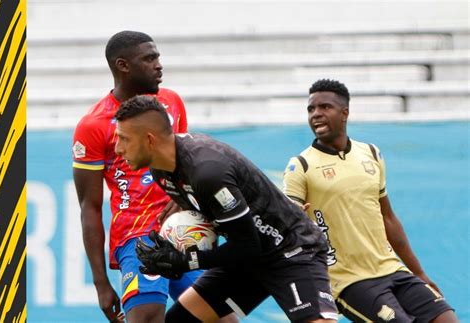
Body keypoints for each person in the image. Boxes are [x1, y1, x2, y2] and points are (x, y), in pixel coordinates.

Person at [113, 94, 339, 323]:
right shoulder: (161, 169)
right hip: (248, 258)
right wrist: (174, 253)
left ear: (150, 140)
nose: (117, 148)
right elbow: (221, 229)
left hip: (290, 251)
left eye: (124, 139)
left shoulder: (207, 172)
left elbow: (248, 245)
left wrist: (186, 261)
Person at [72, 31, 236, 323]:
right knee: (147, 317)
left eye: (157, 57)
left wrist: (185, 198)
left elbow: (187, 163)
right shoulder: (93, 126)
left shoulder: (171, 102)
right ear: (123, 66)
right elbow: (90, 207)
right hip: (138, 237)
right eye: (149, 59)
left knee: (222, 319)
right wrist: (101, 284)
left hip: (183, 231)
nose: (159, 65)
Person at [282, 79, 458, 322]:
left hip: (392, 269)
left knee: (447, 319)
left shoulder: (371, 153)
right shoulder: (300, 165)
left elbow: (388, 217)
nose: (316, 114)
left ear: (345, 112)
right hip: (349, 282)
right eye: (311, 109)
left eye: (325, 107)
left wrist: (419, 273)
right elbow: (287, 226)